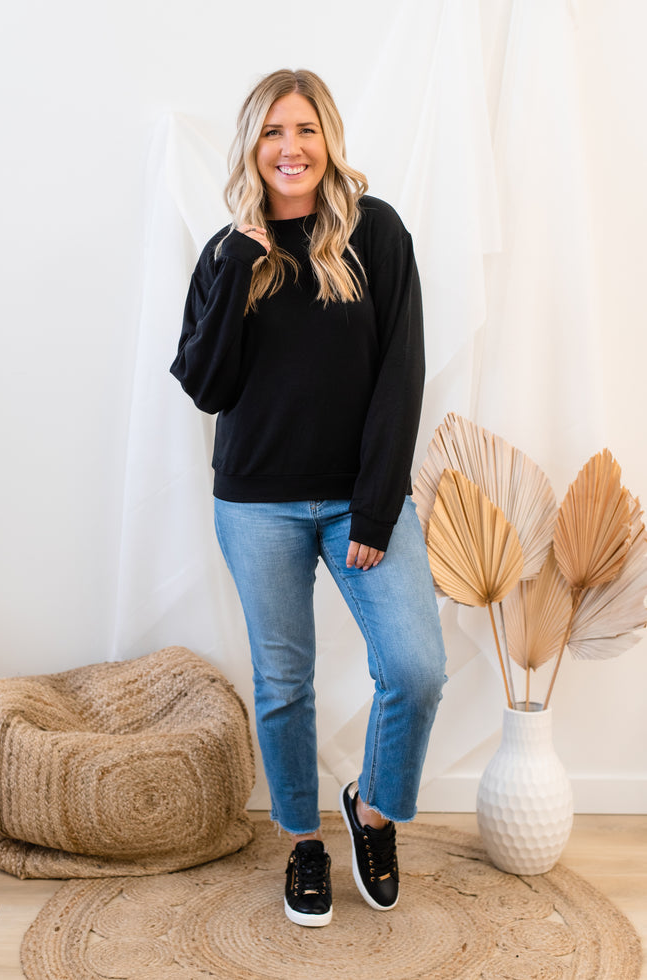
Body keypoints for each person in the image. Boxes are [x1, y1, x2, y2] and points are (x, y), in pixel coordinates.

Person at [170, 68, 446, 928]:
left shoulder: (377, 233)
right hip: (256, 504)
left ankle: (373, 812)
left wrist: (375, 507)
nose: (290, 148)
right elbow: (207, 387)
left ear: (328, 140)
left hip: (360, 500)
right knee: (284, 683)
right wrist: (240, 266)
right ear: (252, 146)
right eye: (272, 132)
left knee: (416, 669)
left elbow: (402, 374)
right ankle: (302, 842)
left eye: (305, 130)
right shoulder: (226, 253)